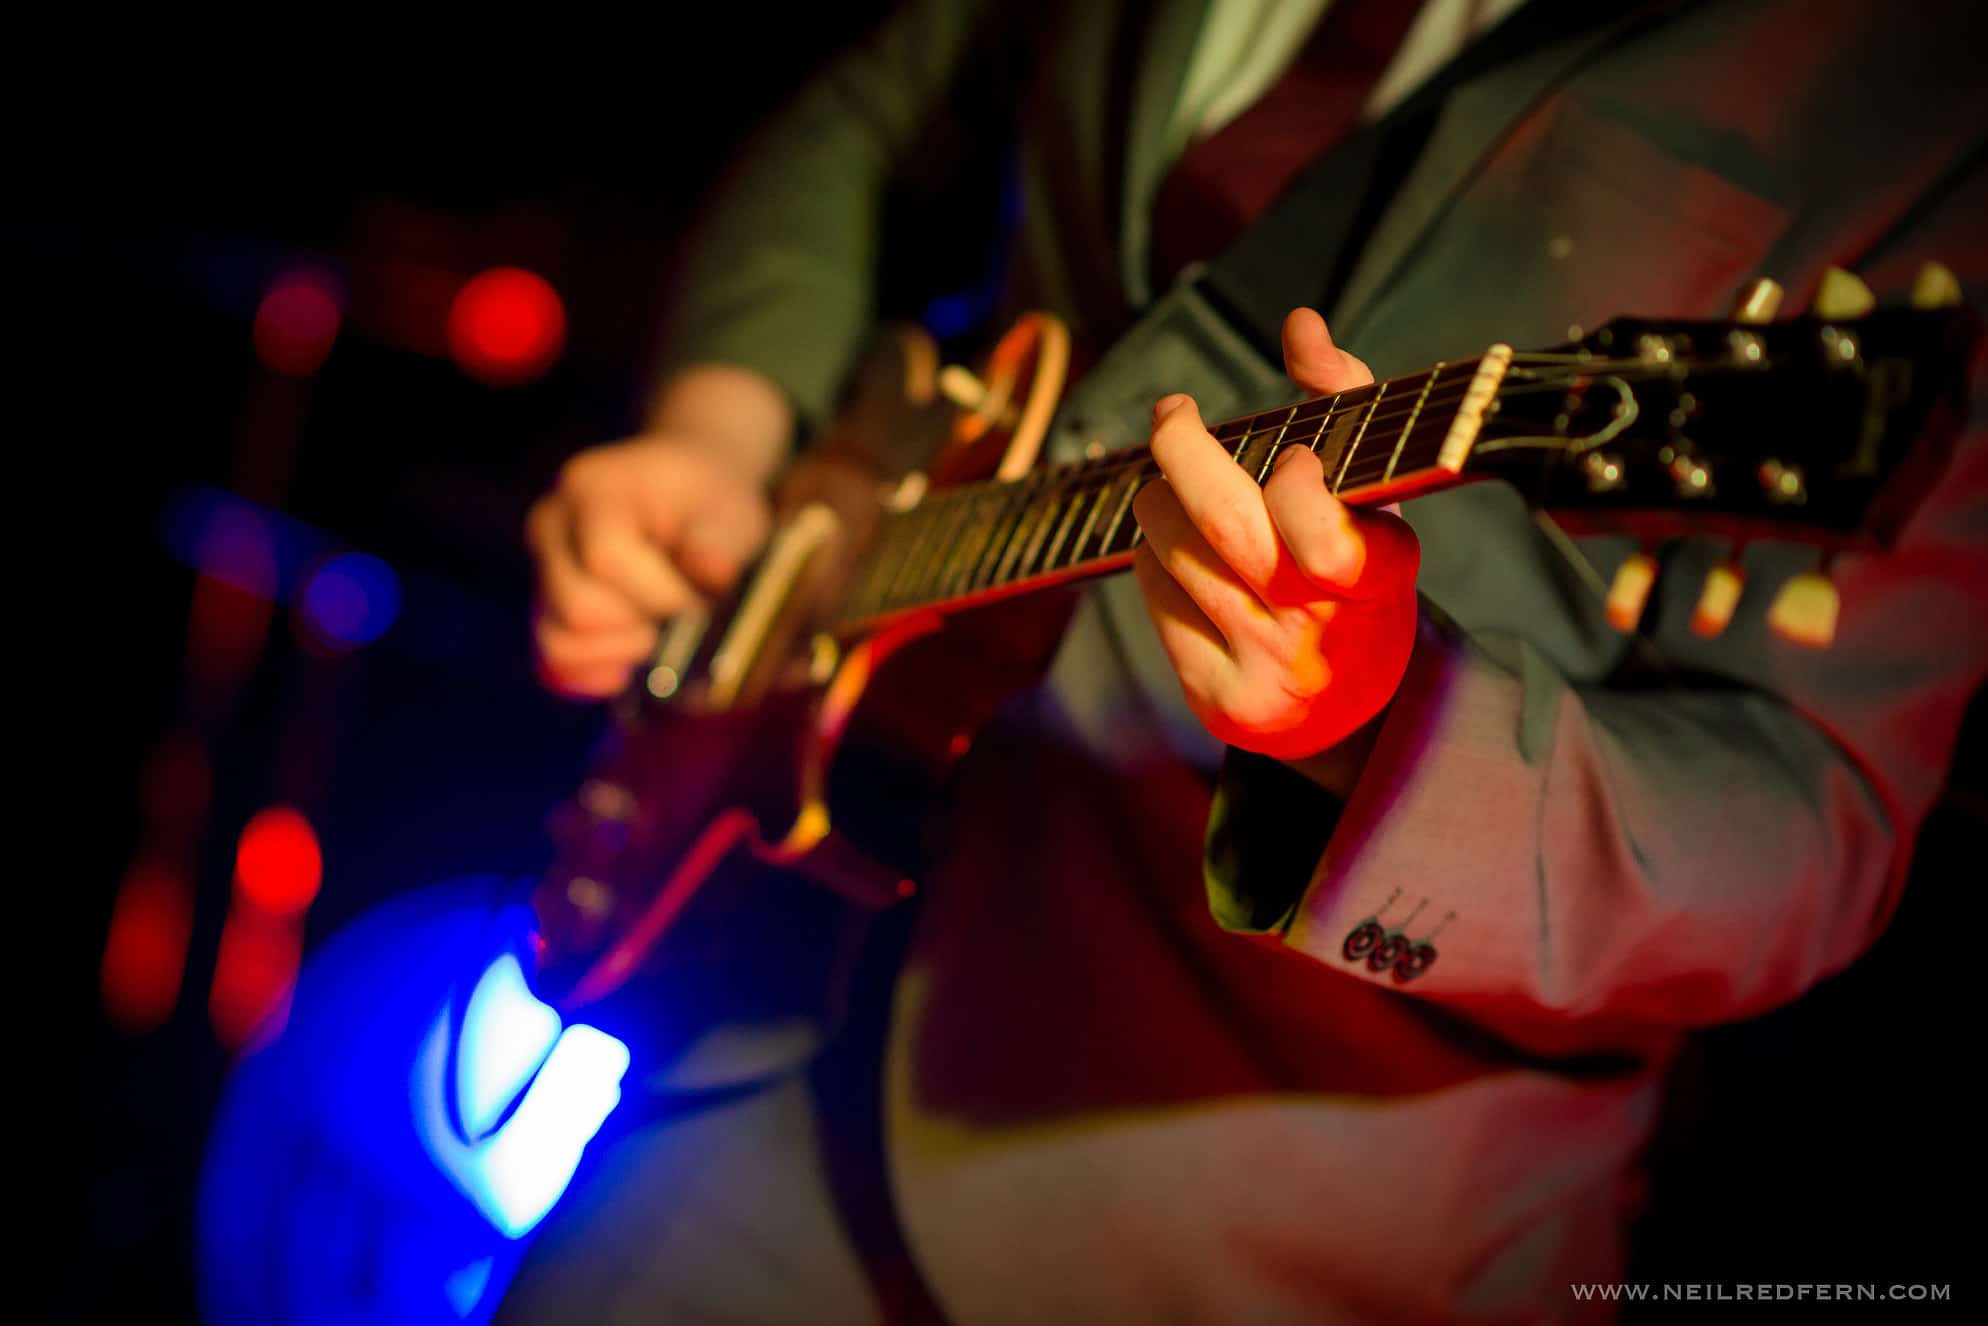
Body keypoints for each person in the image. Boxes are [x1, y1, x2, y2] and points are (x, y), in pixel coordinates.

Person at [506, 0, 1988, 1320]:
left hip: (1259, 1220)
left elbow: (1815, 815)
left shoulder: (1920, 85)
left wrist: (1374, 729)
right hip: (758, 1023)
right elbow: (887, 98)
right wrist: (719, 427)